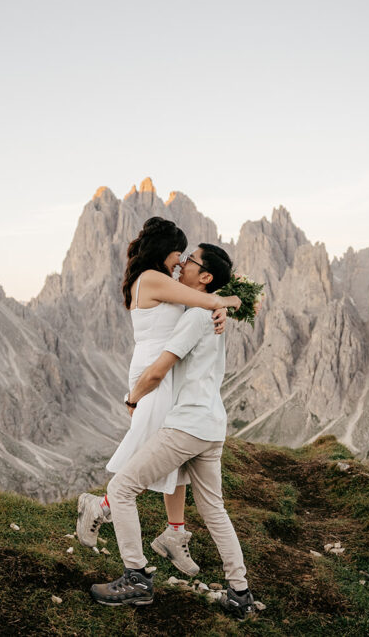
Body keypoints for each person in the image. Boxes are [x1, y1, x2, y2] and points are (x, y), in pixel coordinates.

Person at [89, 244, 256, 620]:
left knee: (122, 487)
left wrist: (132, 398)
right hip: (213, 426)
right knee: (214, 510)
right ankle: (239, 592)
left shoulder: (199, 315)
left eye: (192, 261)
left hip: (187, 425)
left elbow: (158, 370)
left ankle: (136, 577)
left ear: (207, 277)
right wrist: (228, 305)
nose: (182, 264)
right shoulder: (211, 311)